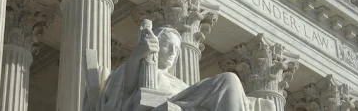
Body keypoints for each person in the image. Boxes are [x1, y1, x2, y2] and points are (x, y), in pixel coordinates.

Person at [87, 24, 276, 111]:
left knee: (267, 105)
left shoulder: (178, 82)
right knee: (230, 80)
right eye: (168, 45)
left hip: (186, 105)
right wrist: (138, 54)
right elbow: (126, 94)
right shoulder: (137, 69)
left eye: (177, 49)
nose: (172, 52)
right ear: (155, 45)